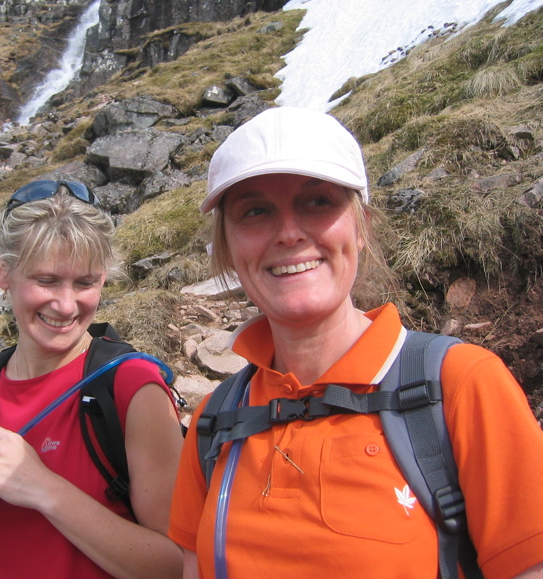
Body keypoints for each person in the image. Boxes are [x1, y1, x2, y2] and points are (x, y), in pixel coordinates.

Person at [167, 107, 543, 579]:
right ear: (227, 247)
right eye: (255, 211)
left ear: (360, 225)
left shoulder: (461, 386)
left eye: (318, 202)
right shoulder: (213, 422)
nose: (288, 233)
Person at [0, 180, 184, 579]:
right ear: (3, 271)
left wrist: (42, 489)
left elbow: (176, 566)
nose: (67, 305)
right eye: (47, 280)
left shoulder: (133, 388)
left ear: (103, 278)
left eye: (85, 282)